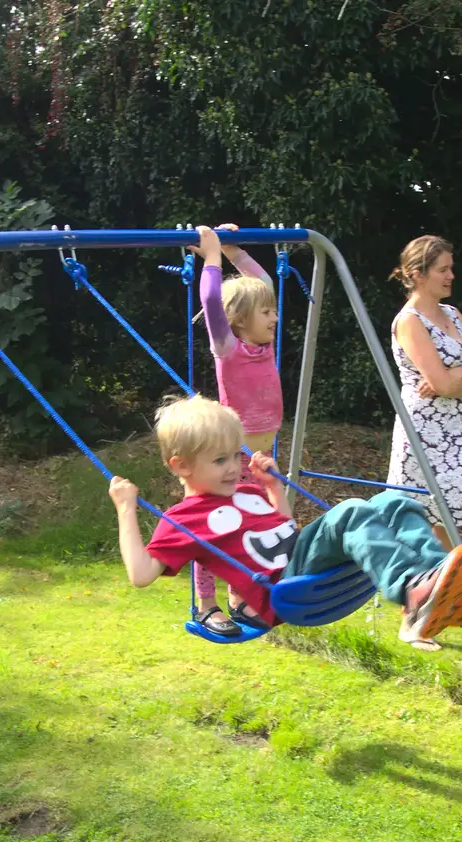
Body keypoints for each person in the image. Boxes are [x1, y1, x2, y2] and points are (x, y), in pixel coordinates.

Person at [107, 395, 462, 642]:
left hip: (299, 557)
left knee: (394, 502)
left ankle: (436, 579)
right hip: (284, 587)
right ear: (181, 465)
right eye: (220, 460)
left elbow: (285, 528)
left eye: (235, 455)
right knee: (350, 511)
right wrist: (126, 509)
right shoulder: (184, 518)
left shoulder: (244, 489)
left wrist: (272, 489)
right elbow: (141, 575)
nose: (234, 467)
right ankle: (414, 589)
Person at [385, 235, 462, 649]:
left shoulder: (451, 313)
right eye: (443, 269)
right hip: (425, 433)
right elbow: (445, 380)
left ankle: (450, 605)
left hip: (458, 430)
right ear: (417, 274)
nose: (452, 276)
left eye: (451, 267)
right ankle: (411, 617)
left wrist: (460, 380)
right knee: (421, 525)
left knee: (453, 523)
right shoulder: (410, 320)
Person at [189, 224, 282, 637]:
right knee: (214, 529)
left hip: (261, 459)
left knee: (250, 530)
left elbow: (260, 284)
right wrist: (210, 256)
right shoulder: (229, 348)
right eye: (266, 313)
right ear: (241, 321)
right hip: (231, 457)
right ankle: (206, 605)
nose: (275, 318)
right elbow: (212, 299)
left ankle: (239, 598)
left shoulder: (264, 346)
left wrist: (232, 250)